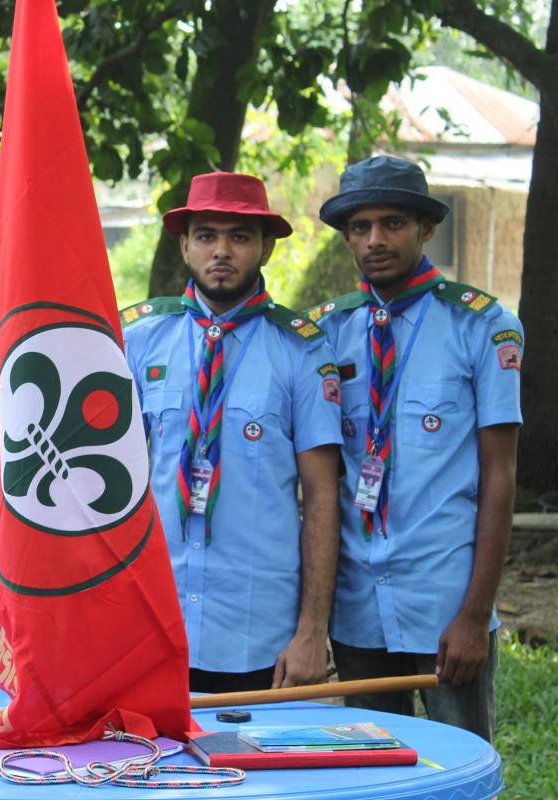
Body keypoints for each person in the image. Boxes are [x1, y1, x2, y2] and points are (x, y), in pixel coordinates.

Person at [307, 155, 522, 741]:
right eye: (360, 226)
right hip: (356, 607)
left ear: (427, 228)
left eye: (394, 222)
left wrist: (476, 615)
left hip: (445, 602)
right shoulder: (324, 333)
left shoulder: (482, 326)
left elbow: (499, 474)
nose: (376, 239)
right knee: (375, 772)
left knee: (462, 768)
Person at [121, 172, 342, 693]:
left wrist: (312, 631)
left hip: (256, 629)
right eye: (206, 236)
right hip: (153, 619)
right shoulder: (139, 340)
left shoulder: (303, 351)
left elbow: (323, 496)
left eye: (240, 237)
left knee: (258, 771)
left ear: (265, 247)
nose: (221, 251)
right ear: (184, 245)